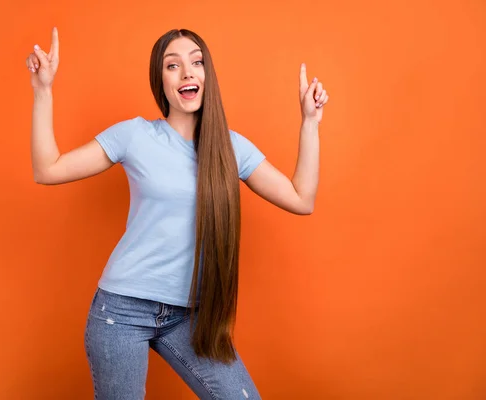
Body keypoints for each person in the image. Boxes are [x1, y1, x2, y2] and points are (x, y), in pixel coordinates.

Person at [26, 26, 329, 399]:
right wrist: (43, 91)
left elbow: (302, 199)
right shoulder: (135, 136)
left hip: (188, 317)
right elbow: (48, 169)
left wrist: (310, 122)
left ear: (206, 75)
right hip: (120, 312)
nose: (187, 72)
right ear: (161, 81)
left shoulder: (230, 148)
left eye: (196, 62)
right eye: (173, 65)